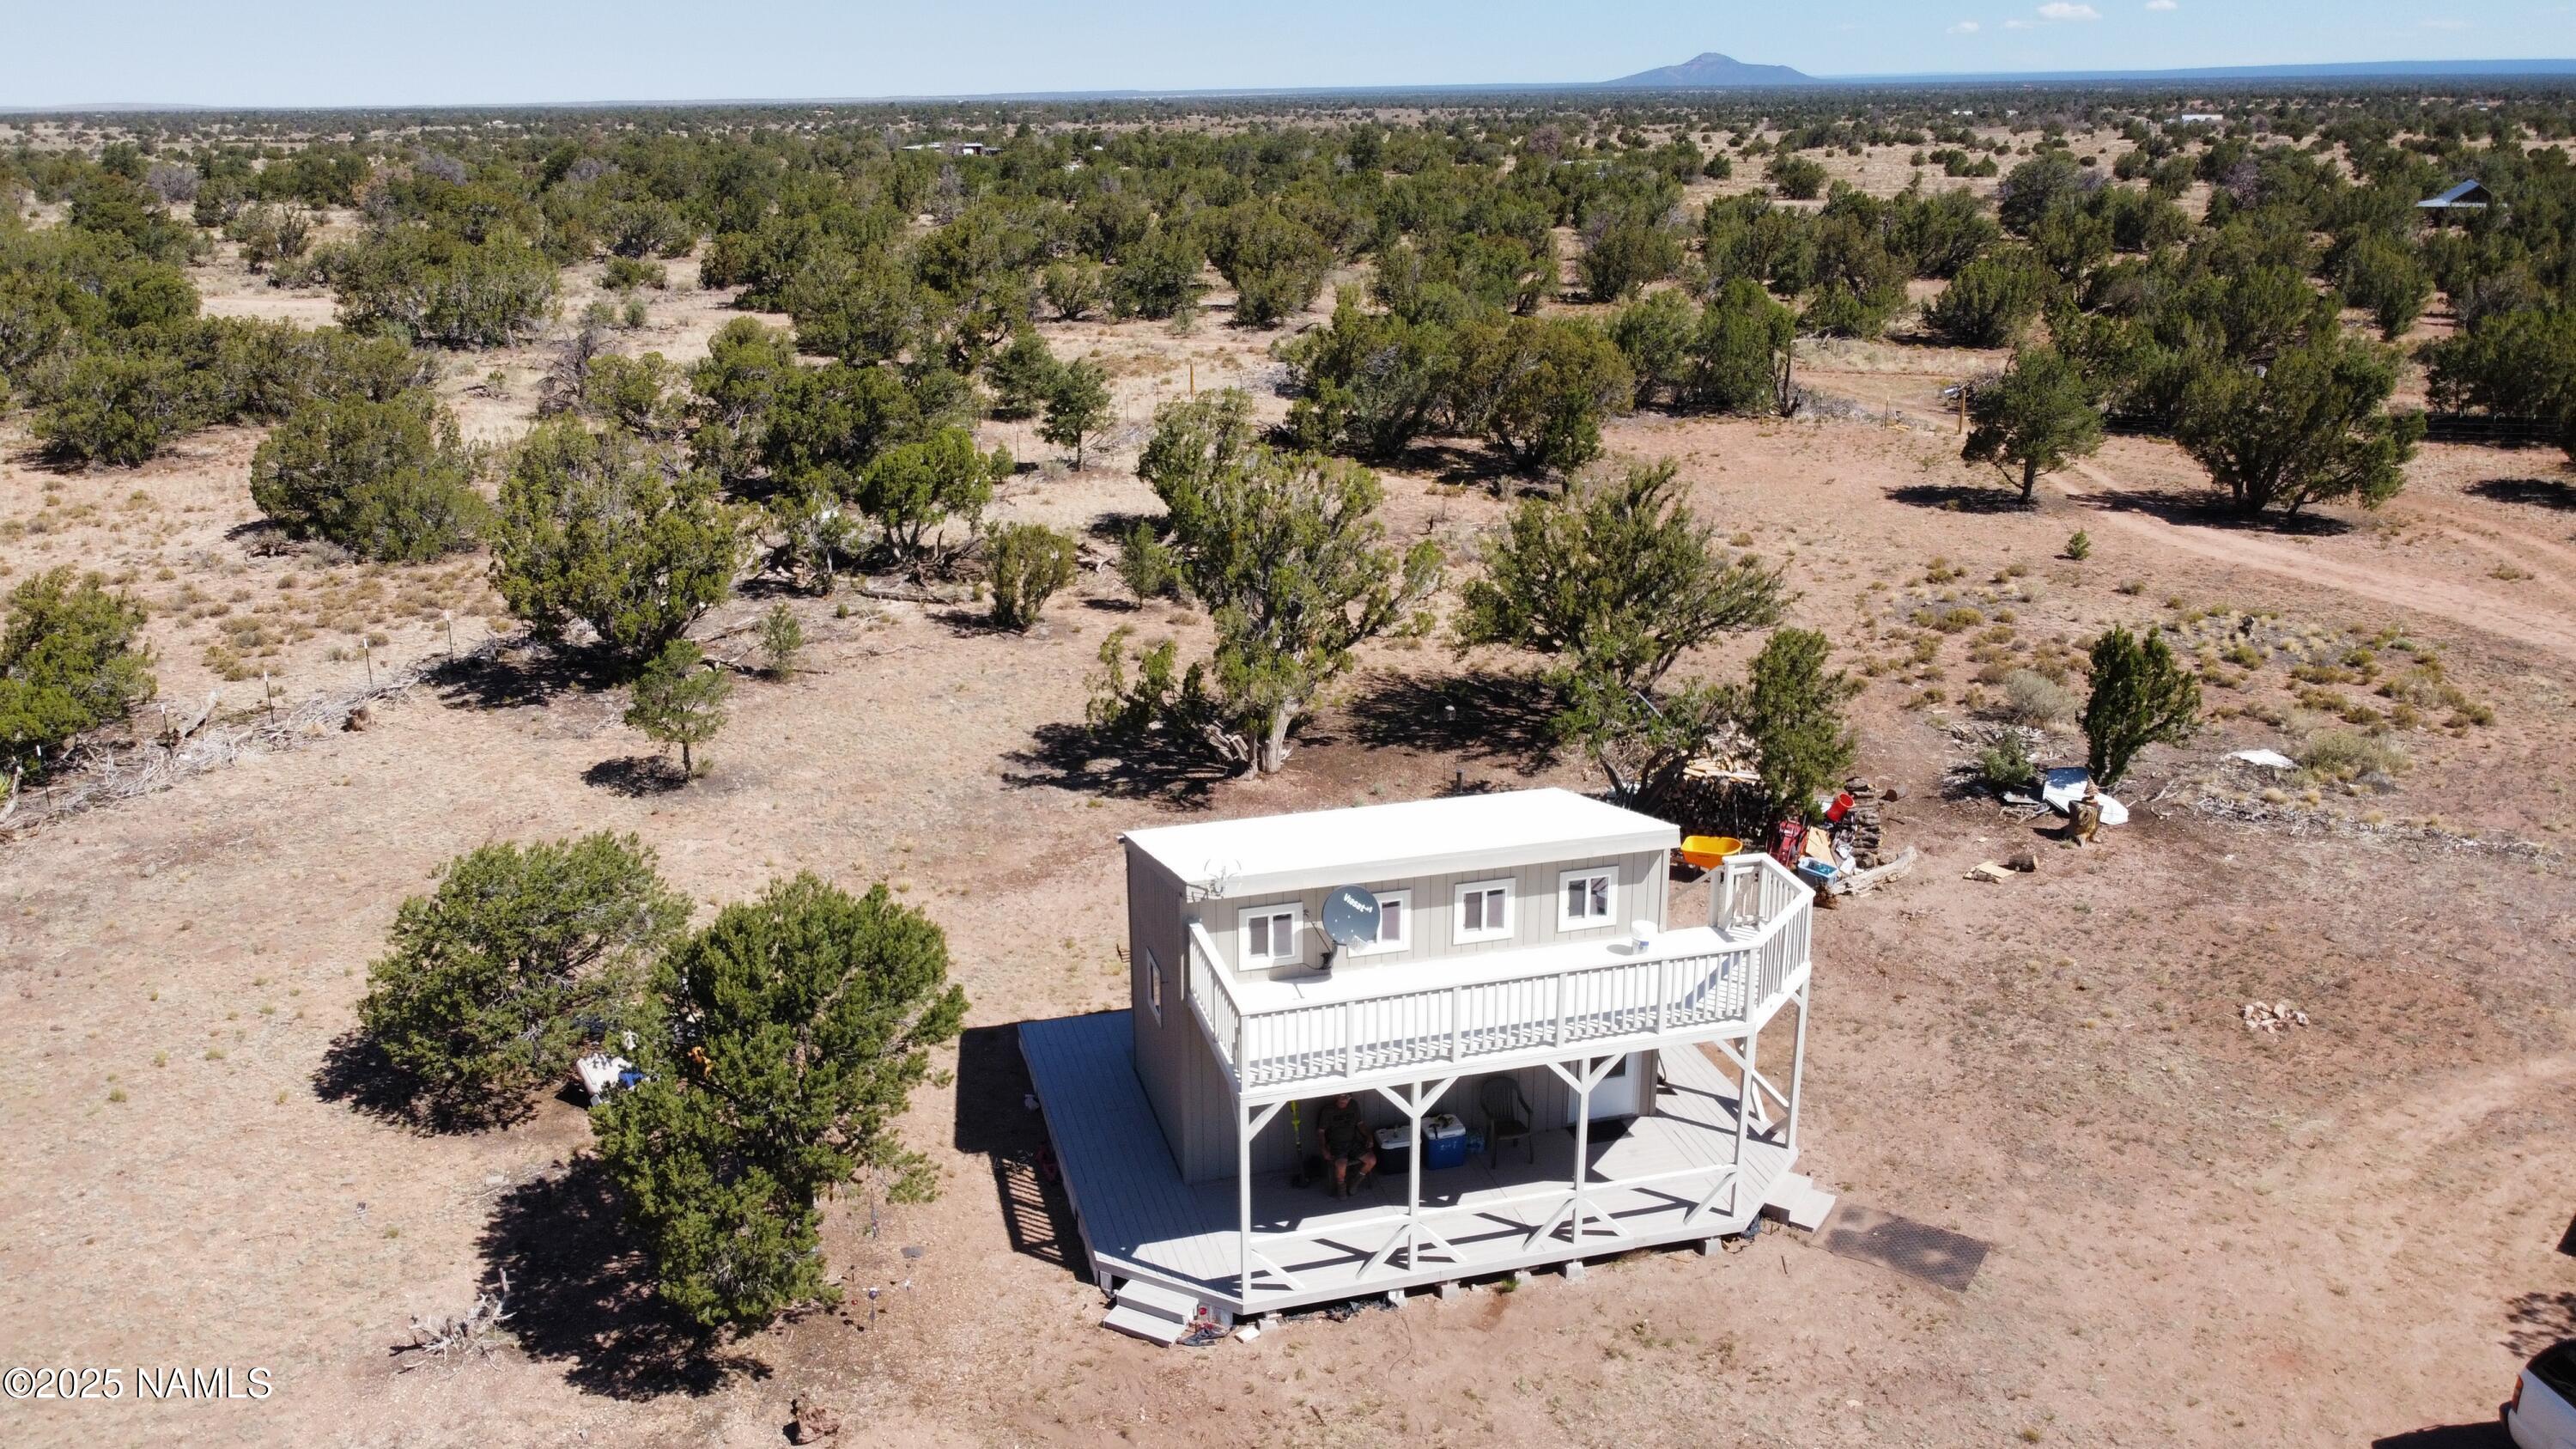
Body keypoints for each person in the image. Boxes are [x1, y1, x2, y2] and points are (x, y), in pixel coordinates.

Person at [1314, 1092, 1376, 1199]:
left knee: (1371, 1160)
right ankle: (1341, 1187)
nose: (1344, 1099)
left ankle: (1355, 1181)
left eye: (1347, 1097)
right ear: (1336, 1096)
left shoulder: (1354, 1105)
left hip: (1353, 1142)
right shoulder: (1328, 1110)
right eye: (1342, 1096)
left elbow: (1360, 1124)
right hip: (1336, 1144)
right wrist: (1323, 1149)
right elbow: (1321, 1131)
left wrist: (1369, 1136)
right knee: (1341, 1166)